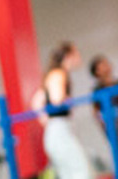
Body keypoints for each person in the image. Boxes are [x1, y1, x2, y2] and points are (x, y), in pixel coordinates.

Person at [34, 42, 91, 179]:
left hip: (56, 130)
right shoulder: (59, 74)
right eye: (76, 53)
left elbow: (35, 102)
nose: (79, 57)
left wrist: (46, 121)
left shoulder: (53, 74)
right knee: (82, 170)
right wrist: (68, 100)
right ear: (68, 56)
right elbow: (56, 98)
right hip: (59, 130)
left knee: (69, 173)